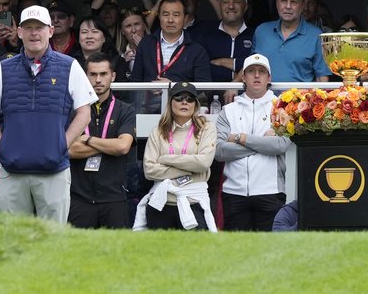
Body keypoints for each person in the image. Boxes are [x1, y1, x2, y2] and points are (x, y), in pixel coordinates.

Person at [0, 5, 96, 223]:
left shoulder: (70, 66)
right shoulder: (3, 69)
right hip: (12, 171)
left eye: (40, 28)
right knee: (14, 240)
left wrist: (61, 144)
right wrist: (2, 146)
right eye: (28, 28)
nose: (34, 33)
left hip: (54, 170)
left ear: (50, 31)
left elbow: (84, 113)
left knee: (52, 241)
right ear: (20, 32)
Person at [215, 53, 288, 231]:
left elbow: (280, 145)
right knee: (238, 252)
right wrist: (262, 144)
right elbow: (219, 151)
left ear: (269, 78)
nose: (256, 75)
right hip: (234, 192)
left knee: (269, 252)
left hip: (270, 191)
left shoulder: (280, 107)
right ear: (243, 77)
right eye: (251, 71)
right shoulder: (228, 110)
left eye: (261, 71)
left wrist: (241, 138)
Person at [66, 52, 135, 228]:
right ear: (85, 76)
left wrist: (87, 139)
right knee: (77, 254)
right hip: (78, 198)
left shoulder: (125, 110)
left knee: (116, 254)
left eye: (103, 74)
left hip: (114, 198)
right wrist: (108, 144)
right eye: (93, 74)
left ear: (113, 76)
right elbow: (69, 150)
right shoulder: (72, 110)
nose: (98, 80)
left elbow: (122, 147)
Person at [136, 81, 217, 230]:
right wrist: (190, 168)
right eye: (179, 98)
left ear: (196, 104)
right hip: (161, 205)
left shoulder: (206, 128)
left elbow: (204, 163)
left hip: (193, 203)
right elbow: (149, 171)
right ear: (170, 102)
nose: (184, 102)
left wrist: (166, 159)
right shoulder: (158, 131)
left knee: (197, 253)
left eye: (190, 98)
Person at [253, 0, 332, 82]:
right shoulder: (261, 31)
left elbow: (322, 77)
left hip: (300, 97)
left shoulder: (316, 35)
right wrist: (234, 84)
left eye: (293, 2)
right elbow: (251, 67)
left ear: (302, 5)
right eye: (284, 1)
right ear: (277, 3)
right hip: (264, 97)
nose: (288, 6)